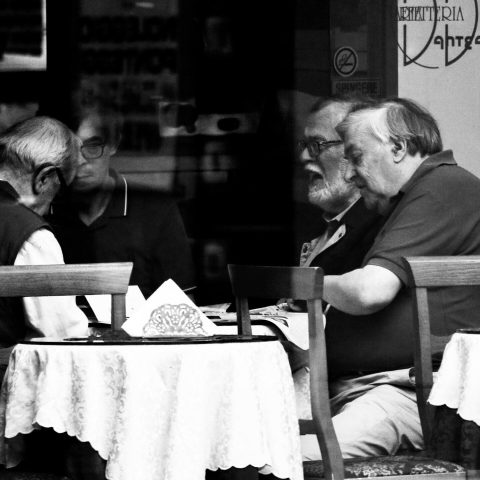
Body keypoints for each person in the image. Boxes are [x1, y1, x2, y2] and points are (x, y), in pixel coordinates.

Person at [302, 98, 480, 460]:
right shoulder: (408, 197)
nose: (350, 174)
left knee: (284, 454)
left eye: (356, 156)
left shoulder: (443, 186)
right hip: (363, 387)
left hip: (413, 393)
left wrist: (300, 285)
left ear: (398, 148)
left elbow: (369, 292)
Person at [49, 100, 196, 300]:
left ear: (113, 144)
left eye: (92, 146)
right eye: (68, 151)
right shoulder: (45, 210)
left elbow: (182, 306)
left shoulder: (155, 210)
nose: (80, 161)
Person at [0, 116, 88, 376]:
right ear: (44, 178)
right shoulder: (31, 234)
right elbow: (61, 337)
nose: (51, 209)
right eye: (60, 193)